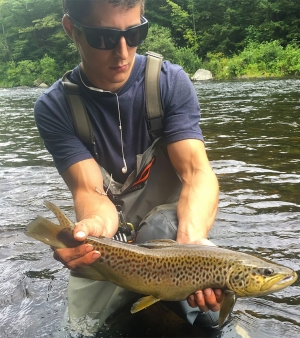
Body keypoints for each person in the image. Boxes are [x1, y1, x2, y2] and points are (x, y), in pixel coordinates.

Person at [34, 0, 221, 335]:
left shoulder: (170, 83)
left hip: (170, 237)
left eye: (135, 33)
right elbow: (89, 190)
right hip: (111, 244)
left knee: (208, 322)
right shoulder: (55, 107)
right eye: (103, 38)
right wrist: (88, 230)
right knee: (84, 330)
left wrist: (191, 247)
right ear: (71, 30)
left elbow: (197, 173)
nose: (123, 52)